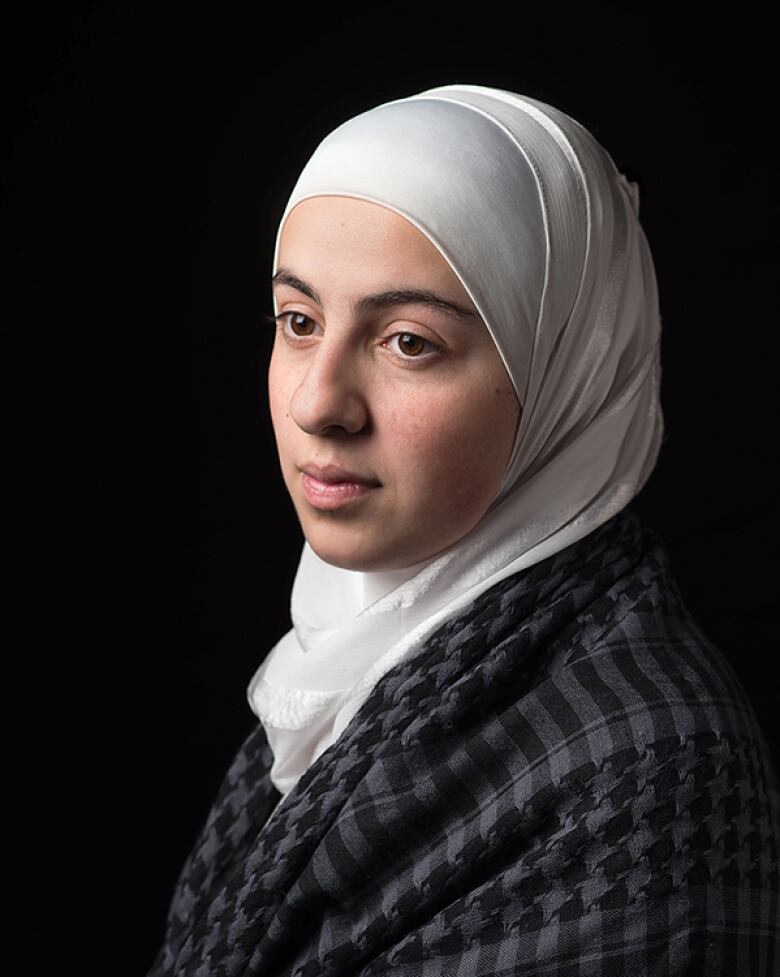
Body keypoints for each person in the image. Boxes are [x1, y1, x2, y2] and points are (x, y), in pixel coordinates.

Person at [148, 84, 780, 976]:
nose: (316, 402)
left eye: (408, 341)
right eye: (299, 322)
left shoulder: (649, 767)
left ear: (567, 366)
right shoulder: (349, 658)